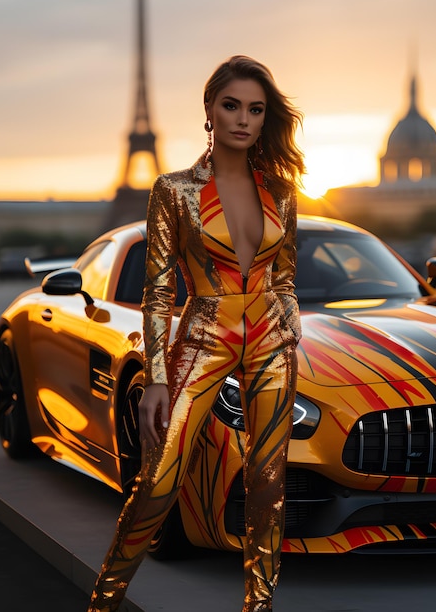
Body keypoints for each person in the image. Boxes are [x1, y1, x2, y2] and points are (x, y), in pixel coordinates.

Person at [88, 54, 305, 612]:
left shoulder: (282, 191)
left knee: (268, 485)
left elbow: (285, 277)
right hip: (204, 334)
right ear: (209, 110)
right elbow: (158, 291)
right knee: (159, 481)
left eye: (256, 110)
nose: (243, 119)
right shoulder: (175, 190)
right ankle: (105, 600)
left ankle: (258, 606)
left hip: (270, 341)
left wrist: (288, 326)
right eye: (231, 105)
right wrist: (157, 377)